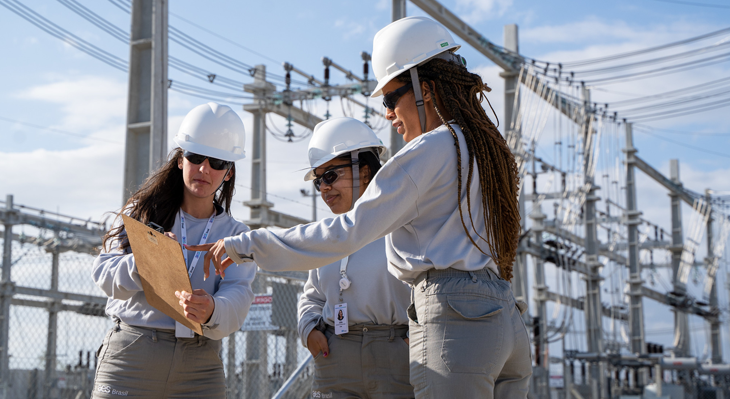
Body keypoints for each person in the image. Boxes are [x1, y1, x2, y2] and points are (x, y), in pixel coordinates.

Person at [191, 16, 531, 399]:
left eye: (389, 98)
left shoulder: (429, 149)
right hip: (503, 315)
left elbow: (345, 232)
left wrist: (246, 244)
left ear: (426, 88)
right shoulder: (485, 148)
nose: (387, 113)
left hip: (456, 322)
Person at [91, 102, 256, 398]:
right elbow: (103, 274)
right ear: (180, 160)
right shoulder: (142, 211)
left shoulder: (236, 234)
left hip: (199, 363)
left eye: (218, 163)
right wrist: (145, 260)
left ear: (228, 173)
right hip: (132, 353)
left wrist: (213, 309)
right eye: (195, 157)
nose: (205, 169)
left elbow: (239, 293)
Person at [296, 118, 412, 399]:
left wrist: (414, 339)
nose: (324, 188)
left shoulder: (402, 227)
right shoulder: (327, 237)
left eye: (330, 176)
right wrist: (309, 328)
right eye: (318, 180)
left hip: (397, 355)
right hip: (334, 356)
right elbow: (311, 297)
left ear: (364, 172)